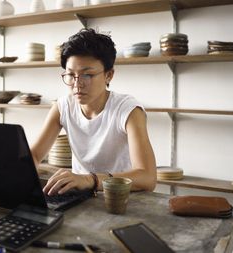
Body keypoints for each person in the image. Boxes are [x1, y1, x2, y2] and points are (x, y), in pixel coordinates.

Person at [30, 28, 156, 196]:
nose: (77, 84)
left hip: (120, 197)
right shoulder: (63, 107)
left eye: (87, 75)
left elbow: (147, 177)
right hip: (79, 196)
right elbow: (35, 155)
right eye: (70, 75)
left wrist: (90, 180)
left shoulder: (128, 110)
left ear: (109, 75)